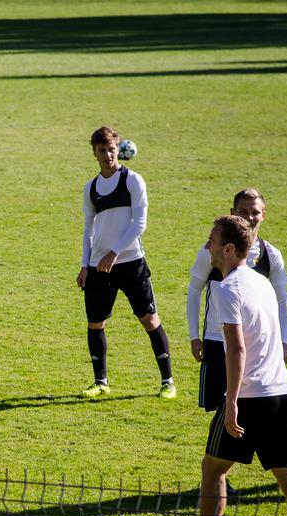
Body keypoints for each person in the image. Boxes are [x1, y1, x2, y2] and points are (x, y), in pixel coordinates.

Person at [170, 215, 287, 516]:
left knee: (212, 470)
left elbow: (235, 349)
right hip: (282, 392)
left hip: (248, 397)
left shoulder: (224, 289)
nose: (208, 246)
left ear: (229, 249)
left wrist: (231, 401)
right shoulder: (262, 283)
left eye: (212, 240)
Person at [187, 188, 287, 496]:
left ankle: (218, 474)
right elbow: (194, 290)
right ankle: (220, 475)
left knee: (239, 407)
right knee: (221, 408)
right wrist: (195, 335)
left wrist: (283, 339)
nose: (249, 216)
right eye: (243, 211)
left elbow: (283, 300)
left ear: (263, 215)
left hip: (254, 349)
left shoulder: (270, 256)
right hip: (218, 343)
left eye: (254, 211)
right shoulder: (213, 251)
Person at [76, 126, 174, 399]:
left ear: (118, 149)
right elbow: (88, 230)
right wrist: (85, 265)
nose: (108, 155)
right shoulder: (91, 188)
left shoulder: (132, 181)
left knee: (149, 319)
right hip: (99, 267)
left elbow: (139, 223)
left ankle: (168, 381)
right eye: (101, 150)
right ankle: (101, 382)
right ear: (94, 153)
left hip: (131, 263)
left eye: (111, 149)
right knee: (95, 323)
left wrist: (114, 253)